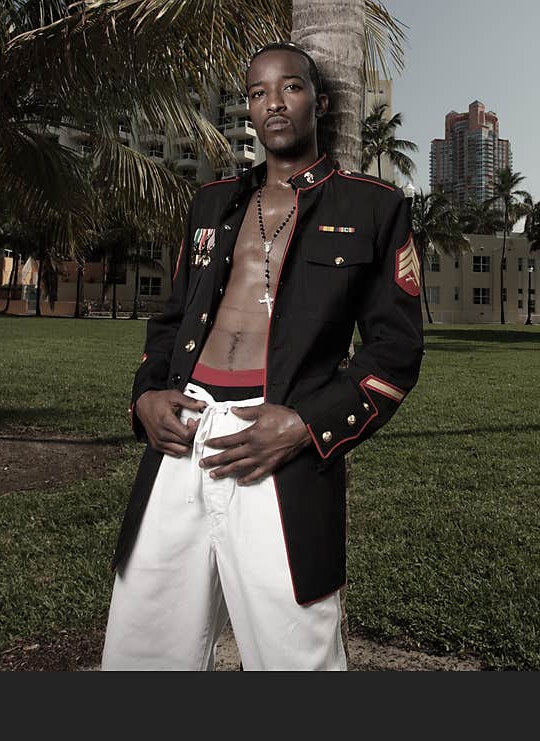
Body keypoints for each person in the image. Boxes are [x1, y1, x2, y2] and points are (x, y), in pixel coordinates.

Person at [101, 42, 424, 671]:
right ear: (247, 108)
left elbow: (395, 351)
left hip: (277, 440)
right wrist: (145, 397)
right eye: (257, 93)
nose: (273, 103)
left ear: (318, 101)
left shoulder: (372, 207)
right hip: (181, 437)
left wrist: (306, 425)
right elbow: (169, 322)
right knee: (143, 646)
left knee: (294, 657)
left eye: (291, 87)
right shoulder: (211, 204)